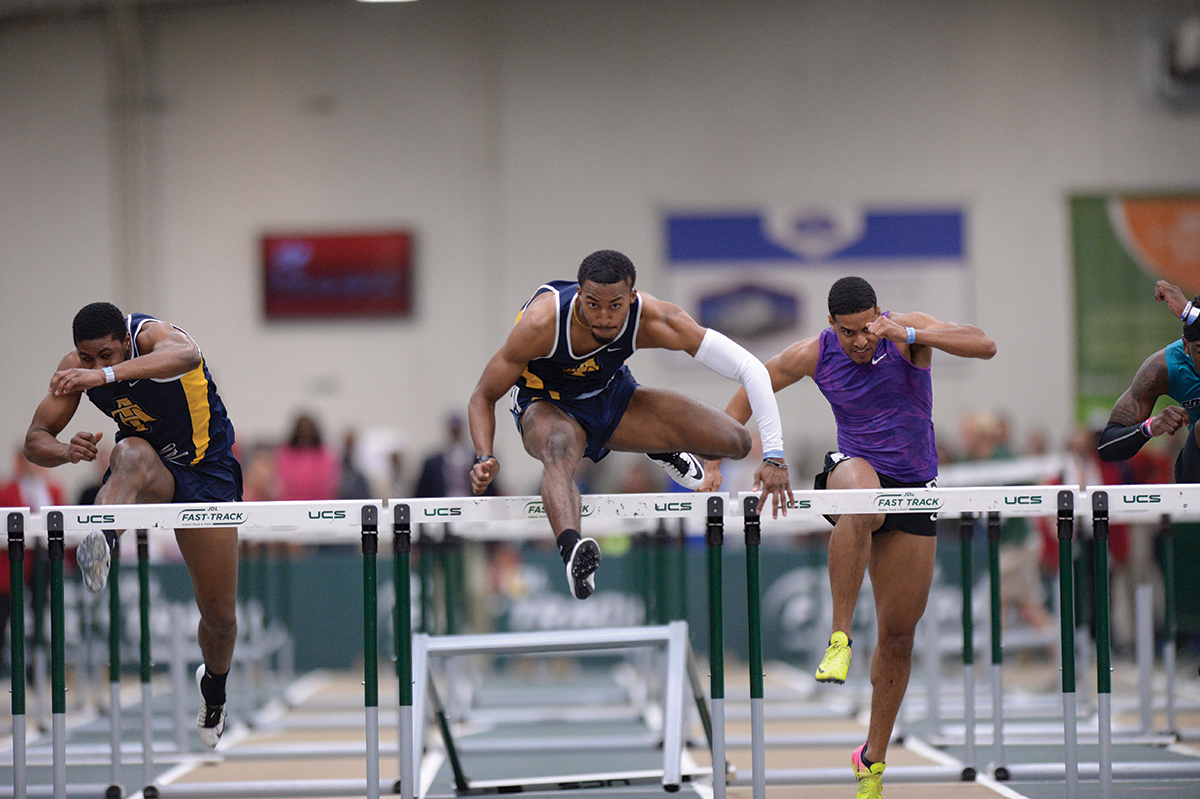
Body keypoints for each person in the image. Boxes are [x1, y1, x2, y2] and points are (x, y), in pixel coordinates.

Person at [700, 276, 996, 798]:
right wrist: (714, 457)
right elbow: (753, 385)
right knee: (861, 496)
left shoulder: (907, 333)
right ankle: (839, 639)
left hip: (914, 488)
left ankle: (871, 762)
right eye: (848, 332)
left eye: (866, 329)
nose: (860, 341)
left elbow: (984, 345)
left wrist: (907, 333)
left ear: (879, 314)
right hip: (855, 470)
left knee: (899, 638)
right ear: (831, 325)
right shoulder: (814, 353)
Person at [468, 249, 792, 600]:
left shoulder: (654, 318)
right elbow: (483, 396)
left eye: (615, 306)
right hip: (546, 404)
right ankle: (573, 552)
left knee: (736, 441)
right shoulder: (540, 324)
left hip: (611, 395)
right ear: (579, 294)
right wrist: (484, 456)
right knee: (559, 448)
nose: (604, 318)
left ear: (632, 298)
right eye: (593, 305)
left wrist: (774, 456)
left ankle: (658, 445)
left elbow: (751, 368)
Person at [22, 302, 241, 749]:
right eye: (86, 358)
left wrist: (103, 376)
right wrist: (66, 452)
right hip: (151, 468)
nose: (93, 366)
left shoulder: (151, 335)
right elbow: (35, 440)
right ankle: (101, 539)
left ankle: (214, 690)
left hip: (208, 472)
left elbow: (187, 355)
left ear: (125, 341)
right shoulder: (75, 368)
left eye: (106, 355)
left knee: (219, 617)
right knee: (129, 453)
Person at [1097, 280, 1200, 481]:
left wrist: (1189, 312)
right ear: (1185, 346)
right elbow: (1107, 447)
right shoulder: (1164, 368)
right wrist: (1150, 427)